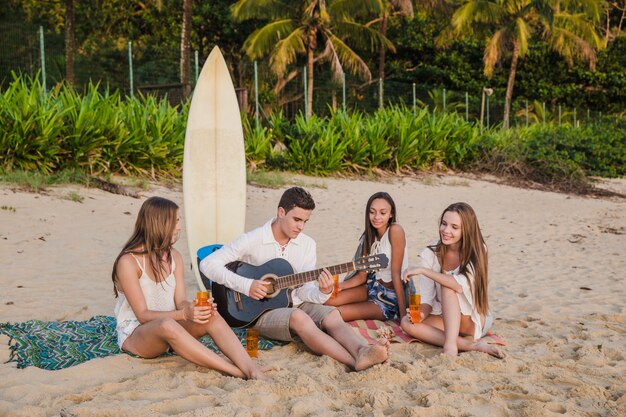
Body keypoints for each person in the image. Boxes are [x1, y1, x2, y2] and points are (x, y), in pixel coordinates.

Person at [200, 187, 389, 371]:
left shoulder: (307, 245)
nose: (301, 227)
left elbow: (304, 290)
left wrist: (324, 291)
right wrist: (247, 285)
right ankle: (352, 361)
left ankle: (363, 351)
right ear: (281, 212)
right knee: (299, 318)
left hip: (294, 302)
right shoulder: (253, 239)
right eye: (297, 219)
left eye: (305, 221)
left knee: (332, 314)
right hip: (254, 312)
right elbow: (208, 264)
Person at [112, 196, 266, 380]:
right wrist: (184, 315)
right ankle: (234, 372)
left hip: (171, 329)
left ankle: (251, 369)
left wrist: (194, 309)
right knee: (166, 324)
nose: (179, 227)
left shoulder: (174, 257)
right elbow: (143, 315)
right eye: (175, 220)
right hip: (138, 335)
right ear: (159, 222)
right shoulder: (128, 262)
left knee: (210, 314)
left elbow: (180, 302)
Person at [401, 202, 504, 358]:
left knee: (447, 285)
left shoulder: (478, 250)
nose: (446, 231)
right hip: (445, 317)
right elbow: (428, 301)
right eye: (444, 224)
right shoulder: (430, 253)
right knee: (406, 323)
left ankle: (450, 347)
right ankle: (471, 345)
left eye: (454, 227)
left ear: (466, 230)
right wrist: (421, 314)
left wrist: (423, 270)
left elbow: (458, 285)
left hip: (473, 319)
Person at [325, 192, 408, 322]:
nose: (376, 217)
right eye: (372, 212)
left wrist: (403, 317)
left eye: (382, 213)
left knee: (336, 313)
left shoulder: (395, 231)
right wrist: (339, 286)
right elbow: (361, 276)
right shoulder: (368, 237)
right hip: (370, 287)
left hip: (388, 299)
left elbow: (396, 274)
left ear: (391, 214)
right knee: (327, 301)